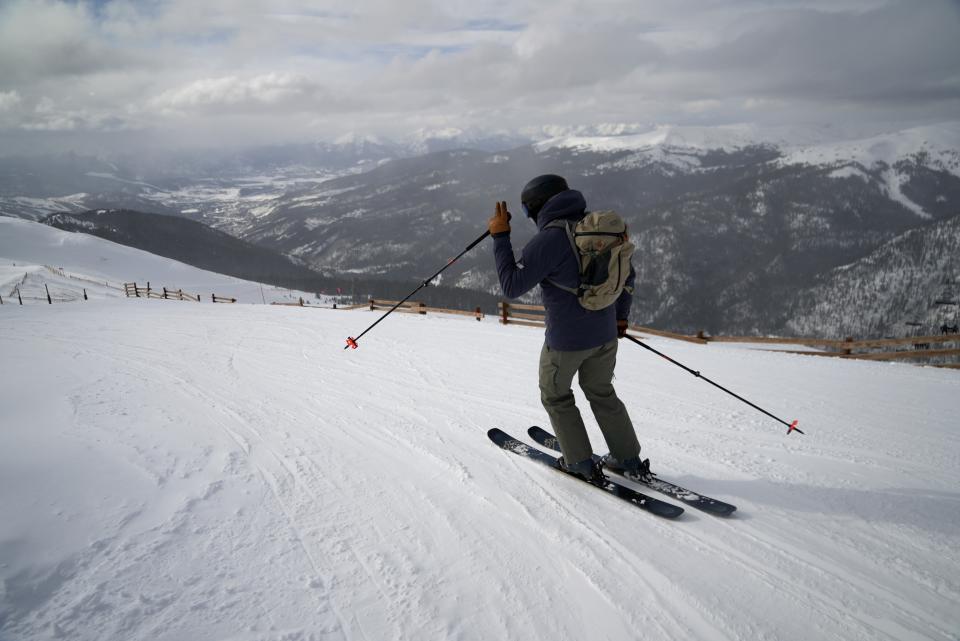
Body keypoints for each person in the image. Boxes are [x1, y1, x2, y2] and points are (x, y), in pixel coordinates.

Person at [488, 174, 651, 484]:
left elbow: (511, 286)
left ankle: (579, 462)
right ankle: (627, 457)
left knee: (556, 395)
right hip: (605, 336)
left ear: (536, 206)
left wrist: (500, 237)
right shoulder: (597, 229)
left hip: (566, 341)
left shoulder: (549, 239)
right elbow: (627, 276)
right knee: (602, 392)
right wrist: (619, 318)